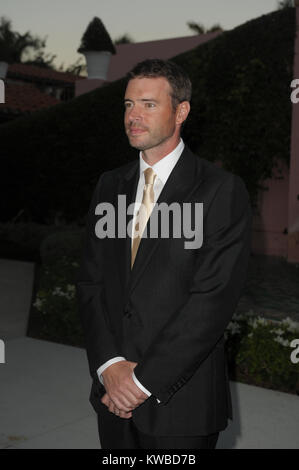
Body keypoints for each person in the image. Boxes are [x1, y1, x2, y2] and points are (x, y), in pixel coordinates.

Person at [77, 59, 252, 449]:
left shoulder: (220, 191)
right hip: (111, 399)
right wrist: (109, 368)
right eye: (127, 105)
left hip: (181, 406)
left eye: (148, 104)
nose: (133, 116)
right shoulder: (110, 186)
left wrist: (137, 384)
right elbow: (91, 282)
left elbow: (211, 303)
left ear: (181, 111)